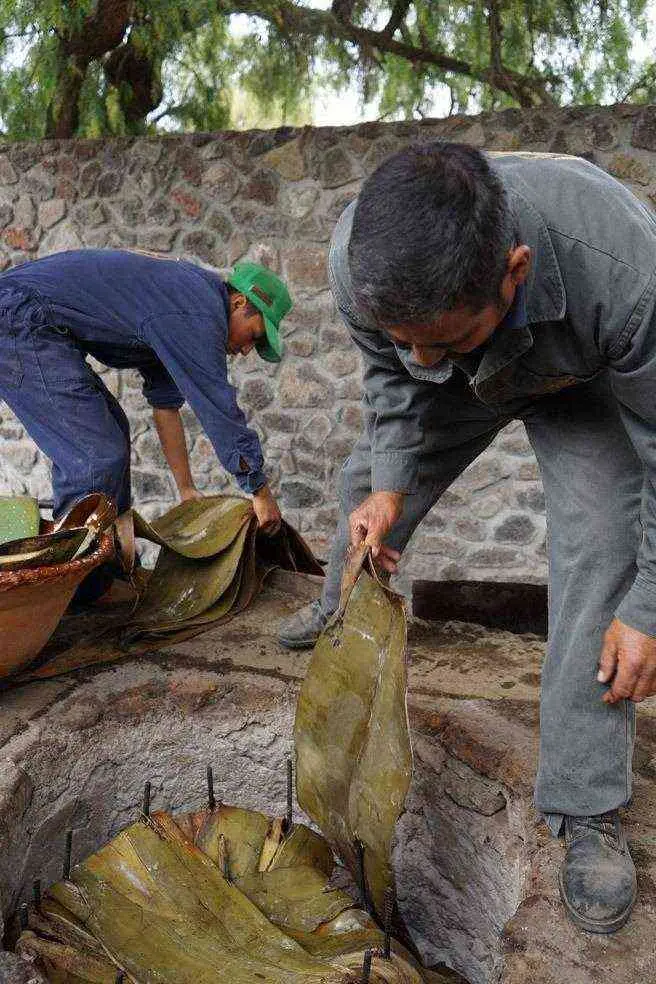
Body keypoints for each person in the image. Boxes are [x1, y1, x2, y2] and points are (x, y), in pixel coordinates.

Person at [278, 142, 656, 934]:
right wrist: (390, 480)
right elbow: (394, 372)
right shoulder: (364, 263)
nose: (417, 355)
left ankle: (584, 806)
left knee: (601, 556)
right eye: (404, 335)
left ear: (513, 271)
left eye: (440, 338)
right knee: (368, 497)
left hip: (580, 376)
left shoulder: (625, 271)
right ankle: (333, 611)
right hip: (457, 381)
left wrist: (649, 608)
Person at [0, 252, 291, 539]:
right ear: (239, 303)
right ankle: (77, 578)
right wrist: (259, 491)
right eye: (254, 336)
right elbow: (220, 411)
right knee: (96, 457)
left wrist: (186, 489)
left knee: (114, 430)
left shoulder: (181, 306)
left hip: (32, 319)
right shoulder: (199, 314)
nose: (246, 350)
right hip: (18, 318)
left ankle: (109, 561)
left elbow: (166, 407)